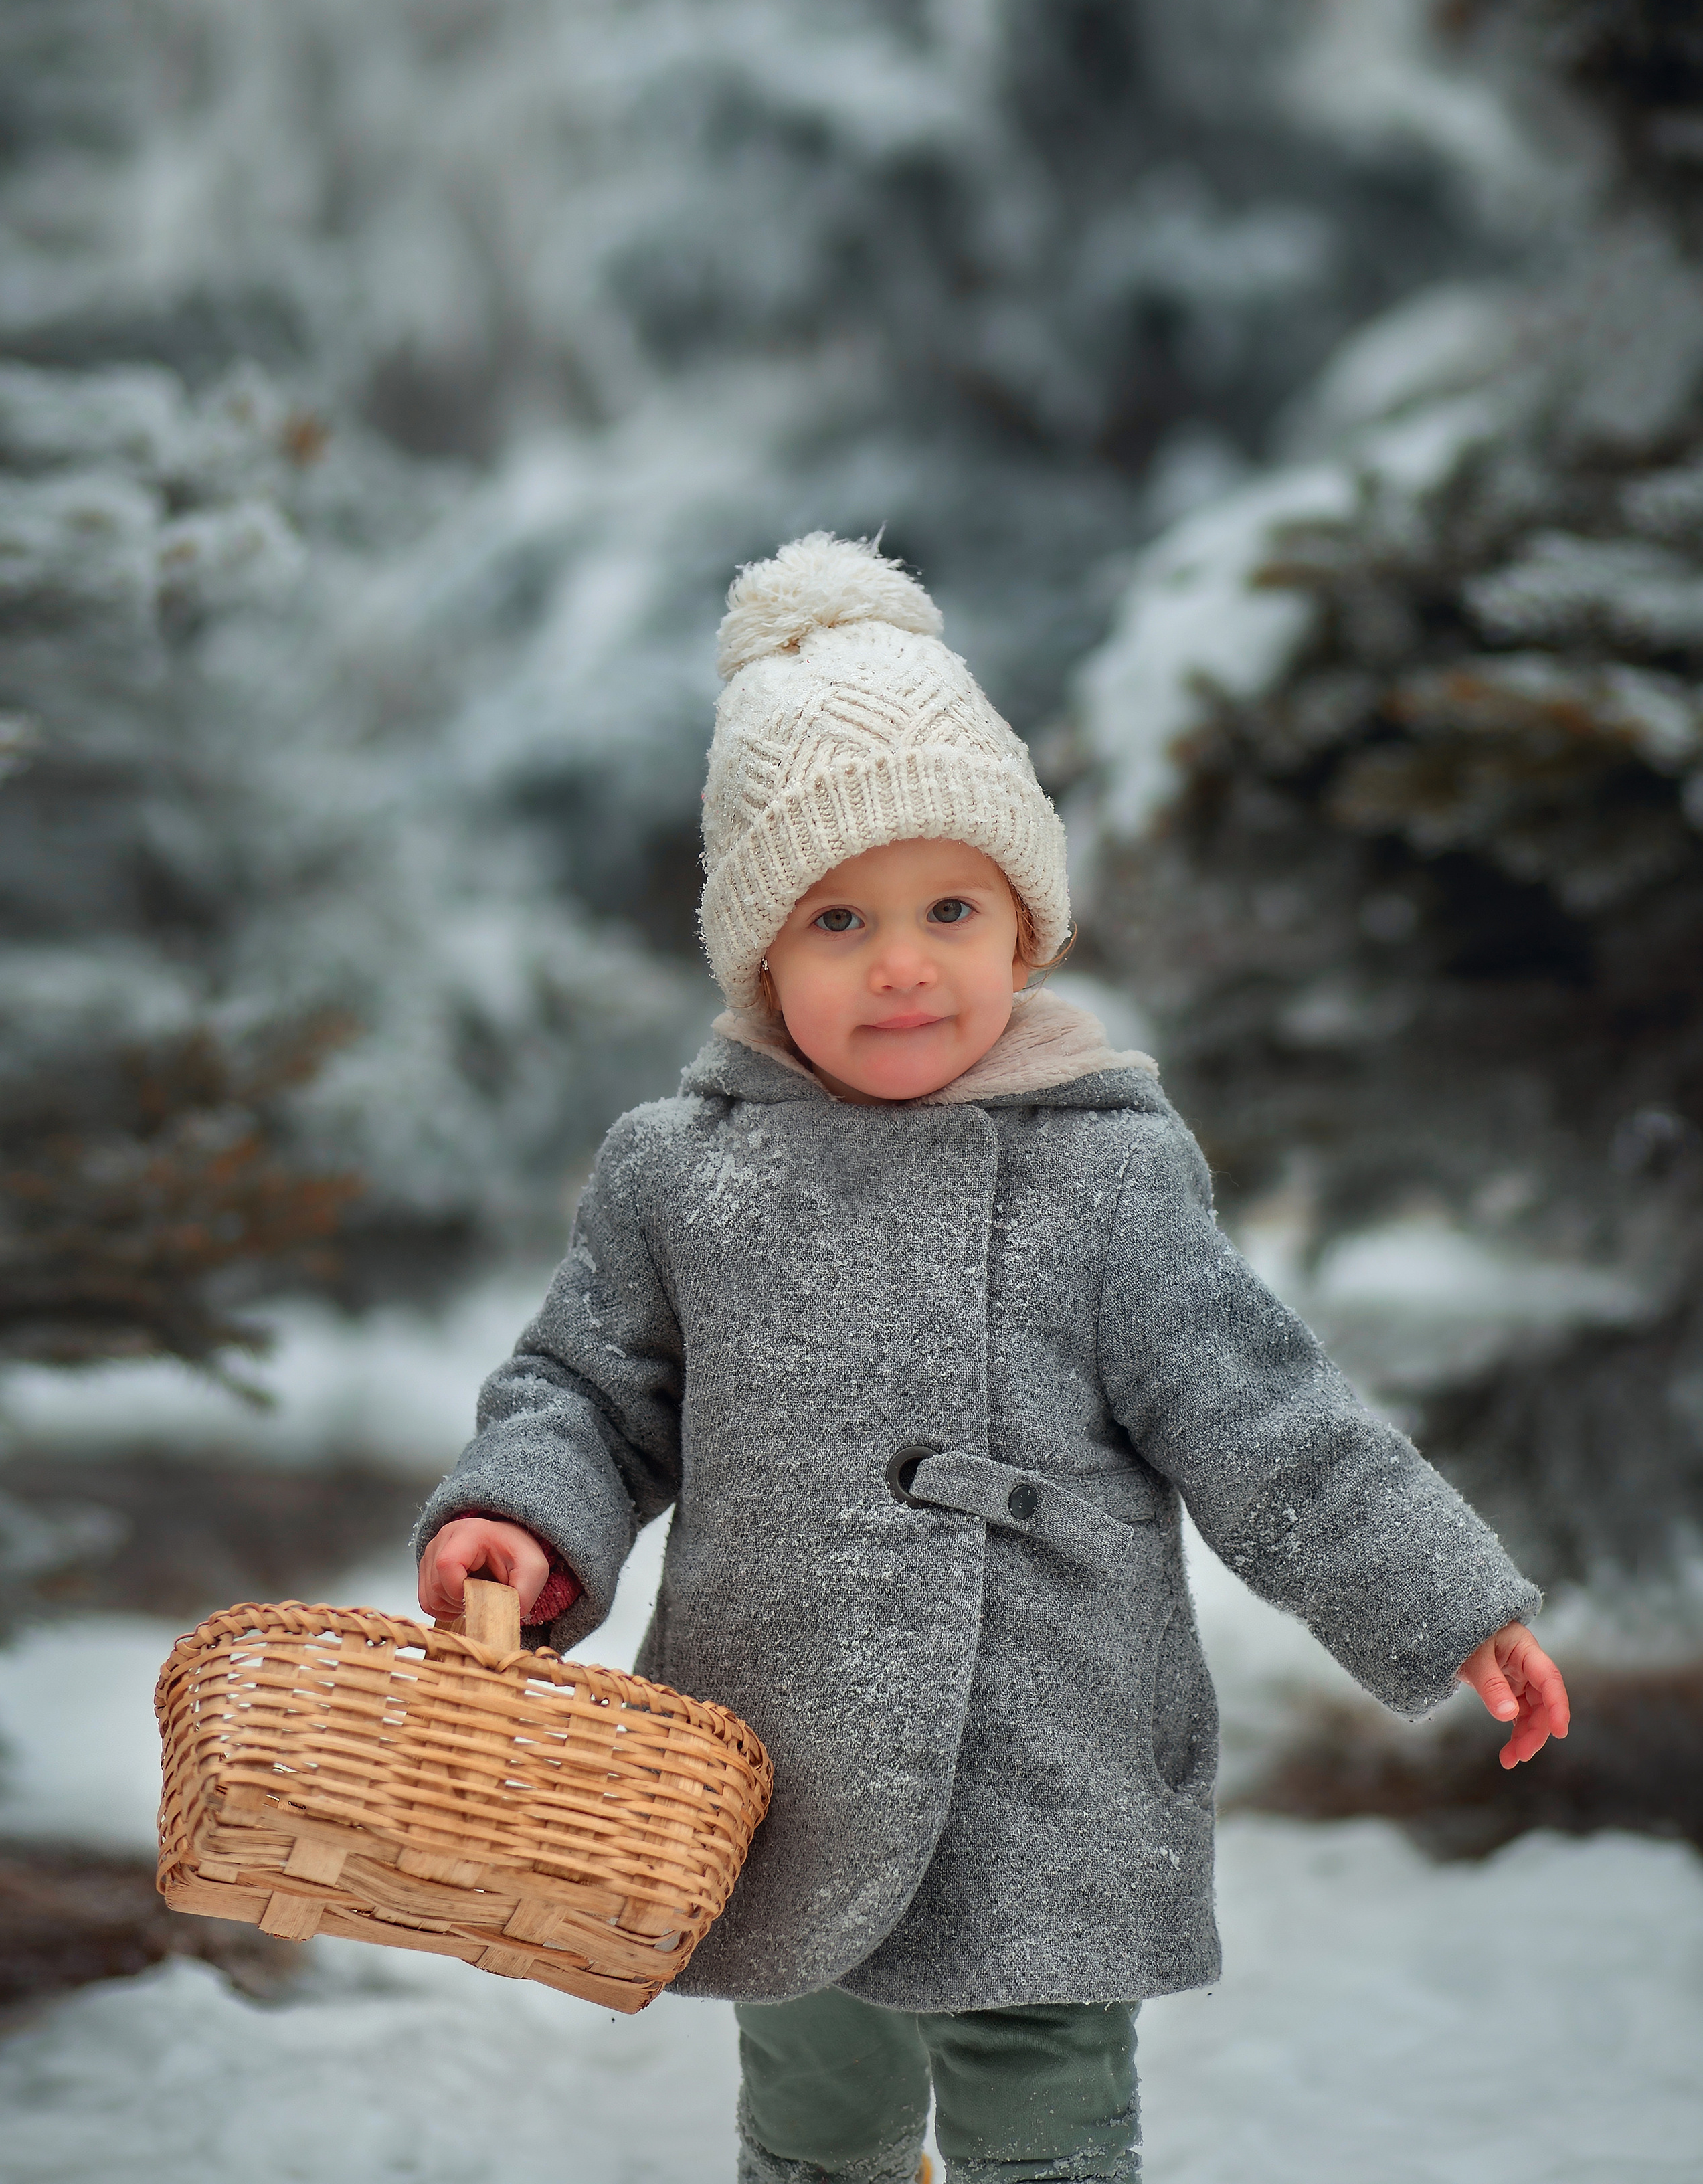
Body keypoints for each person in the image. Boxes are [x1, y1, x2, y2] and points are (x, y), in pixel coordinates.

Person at [416, 533, 1569, 2184]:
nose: (901, 963)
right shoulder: (685, 1170)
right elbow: (589, 1390)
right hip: (784, 1752)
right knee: (816, 2124)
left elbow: (1263, 1413)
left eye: (948, 907)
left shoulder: (1105, 1169)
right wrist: (523, 1515)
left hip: (1045, 1762)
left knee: (1047, 2132)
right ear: (760, 954)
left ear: (1020, 931)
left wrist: (1443, 1598)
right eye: (838, 920)